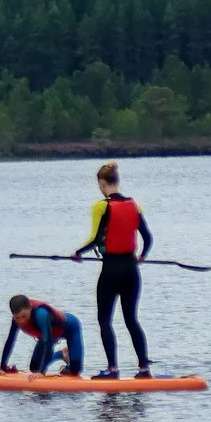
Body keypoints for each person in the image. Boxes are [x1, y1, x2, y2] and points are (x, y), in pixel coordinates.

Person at [74, 161, 153, 378]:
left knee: (104, 320)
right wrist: (142, 256)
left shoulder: (102, 206)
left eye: (98, 184)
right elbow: (147, 237)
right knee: (131, 319)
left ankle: (113, 369)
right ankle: (144, 368)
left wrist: (77, 253)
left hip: (111, 270)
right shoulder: (134, 205)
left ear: (102, 182)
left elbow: (96, 238)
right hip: (131, 269)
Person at [0, 293, 85, 376]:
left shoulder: (41, 314)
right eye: (17, 318)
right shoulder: (16, 320)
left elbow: (49, 343)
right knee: (34, 368)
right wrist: (2, 368)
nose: (21, 321)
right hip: (48, 335)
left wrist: (41, 372)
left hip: (70, 328)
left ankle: (65, 356)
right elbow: (10, 341)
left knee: (75, 371)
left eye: (24, 316)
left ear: (30, 308)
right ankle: (61, 354)